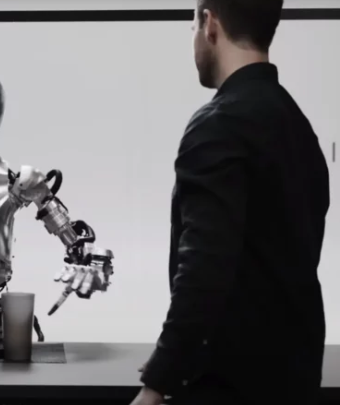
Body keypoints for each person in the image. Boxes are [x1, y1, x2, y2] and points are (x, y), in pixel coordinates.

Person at [130, 1, 330, 404]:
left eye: (192, 24)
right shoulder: (297, 126)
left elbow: (203, 271)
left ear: (209, 24)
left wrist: (157, 384)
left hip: (228, 387)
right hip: (294, 382)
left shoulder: (219, 125)